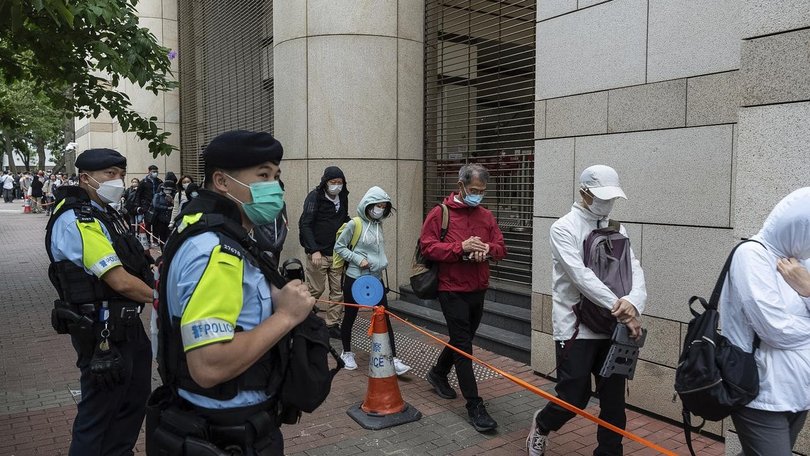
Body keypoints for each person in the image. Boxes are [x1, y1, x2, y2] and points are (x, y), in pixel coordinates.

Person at [151, 130, 314, 455]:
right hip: (227, 430)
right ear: (223, 182)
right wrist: (286, 316)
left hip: (211, 420)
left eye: (277, 176)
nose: (274, 187)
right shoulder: (217, 251)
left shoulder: (203, 227)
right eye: (263, 175)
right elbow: (209, 365)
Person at [526, 165, 647, 456]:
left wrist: (634, 302)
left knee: (614, 403)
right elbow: (580, 276)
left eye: (611, 198)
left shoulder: (617, 228)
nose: (607, 203)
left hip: (614, 326)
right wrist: (621, 307)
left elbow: (635, 269)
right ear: (584, 192)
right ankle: (542, 425)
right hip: (575, 326)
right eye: (601, 197)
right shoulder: (563, 228)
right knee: (574, 396)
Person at [44, 148, 154, 456]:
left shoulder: (104, 213)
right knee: (100, 412)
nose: (117, 180)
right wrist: (165, 299)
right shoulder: (79, 218)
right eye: (109, 174)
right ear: (85, 178)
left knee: (132, 401)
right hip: (102, 330)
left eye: (120, 174)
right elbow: (118, 280)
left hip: (124, 325)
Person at [720, 188, 810, 456]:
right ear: (798, 226)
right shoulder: (751, 255)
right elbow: (776, 329)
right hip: (760, 392)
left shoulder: (800, 262)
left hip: (798, 389)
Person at [419, 163, 507, 433]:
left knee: (462, 339)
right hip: (451, 288)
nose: (477, 195)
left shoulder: (486, 216)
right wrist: (460, 247)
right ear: (460, 186)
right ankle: (474, 405)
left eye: (481, 191)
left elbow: (501, 247)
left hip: (478, 287)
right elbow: (427, 246)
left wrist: (486, 249)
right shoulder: (440, 213)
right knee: (463, 345)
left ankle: (438, 373)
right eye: (473, 190)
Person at [333, 186, 411, 375]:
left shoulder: (378, 225)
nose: (380, 209)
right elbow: (339, 247)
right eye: (378, 205)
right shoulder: (355, 223)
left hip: (376, 279)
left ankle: (393, 358)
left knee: (384, 316)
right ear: (368, 205)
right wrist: (359, 259)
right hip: (355, 278)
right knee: (350, 315)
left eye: (384, 206)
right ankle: (347, 352)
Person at [299, 166, 350, 338]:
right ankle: (302, 319)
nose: (336, 186)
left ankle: (332, 324)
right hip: (318, 253)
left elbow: (344, 219)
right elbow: (306, 224)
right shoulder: (315, 197)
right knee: (316, 289)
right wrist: (314, 250)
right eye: (333, 182)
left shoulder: (343, 197)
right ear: (325, 182)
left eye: (339, 182)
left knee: (337, 291)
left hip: (336, 253)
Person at [135, 164, 162, 245]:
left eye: (156, 172)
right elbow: (138, 194)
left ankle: (155, 240)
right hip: (147, 206)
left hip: (156, 206)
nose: (155, 173)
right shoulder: (143, 182)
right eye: (153, 171)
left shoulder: (159, 182)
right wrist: (138, 206)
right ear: (149, 172)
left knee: (156, 224)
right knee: (147, 224)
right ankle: (148, 241)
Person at [150, 175, 176, 246]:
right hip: (160, 219)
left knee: (170, 237)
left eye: (170, 190)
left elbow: (177, 206)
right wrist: (167, 208)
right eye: (166, 189)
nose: (168, 191)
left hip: (170, 220)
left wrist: (172, 201)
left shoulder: (174, 196)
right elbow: (156, 205)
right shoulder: (158, 196)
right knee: (162, 237)